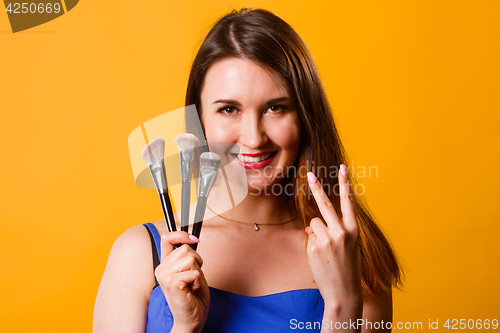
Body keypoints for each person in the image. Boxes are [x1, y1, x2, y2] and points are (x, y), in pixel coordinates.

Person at [93, 7, 402, 333]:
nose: (254, 138)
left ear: (305, 117)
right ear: (198, 122)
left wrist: (342, 306)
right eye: (229, 109)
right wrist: (185, 325)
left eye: (275, 108)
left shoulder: (350, 255)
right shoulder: (140, 253)